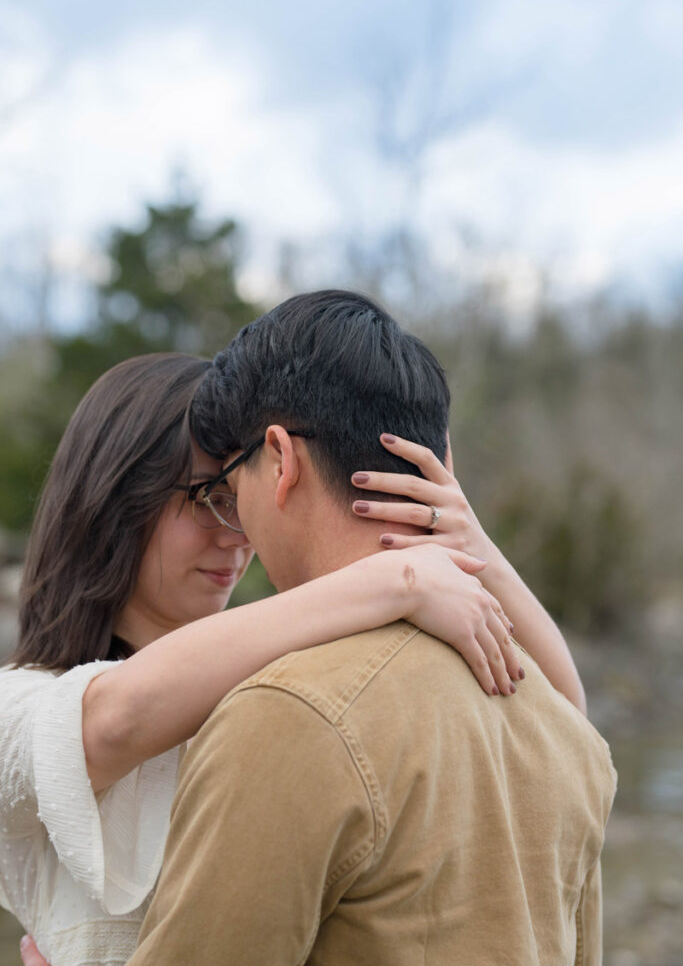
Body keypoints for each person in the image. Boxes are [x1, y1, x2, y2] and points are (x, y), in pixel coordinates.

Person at [124, 291, 617, 966]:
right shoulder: (564, 733)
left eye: (230, 486)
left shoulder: (287, 715)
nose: (233, 524)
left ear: (278, 458)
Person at [3, 350, 524, 966]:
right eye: (206, 499)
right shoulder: (18, 700)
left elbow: (561, 720)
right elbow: (113, 720)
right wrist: (398, 580)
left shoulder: (282, 672)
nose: (237, 534)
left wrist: (469, 539)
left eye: (240, 497)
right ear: (117, 498)